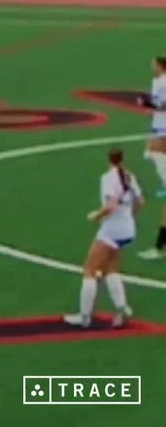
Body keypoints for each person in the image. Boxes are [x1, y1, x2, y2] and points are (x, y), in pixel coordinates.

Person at [63, 149, 143, 329]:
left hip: (111, 230)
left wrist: (96, 216)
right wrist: (130, 217)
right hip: (127, 229)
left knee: (90, 269)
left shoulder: (108, 178)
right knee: (110, 269)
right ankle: (122, 308)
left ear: (109, 160)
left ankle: (84, 316)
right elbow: (140, 202)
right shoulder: (129, 176)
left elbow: (110, 206)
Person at [135, 56, 166, 260]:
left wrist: (148, 104)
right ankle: (159, 247)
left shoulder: (162, 82)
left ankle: (159, 248)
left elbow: (162, 105)